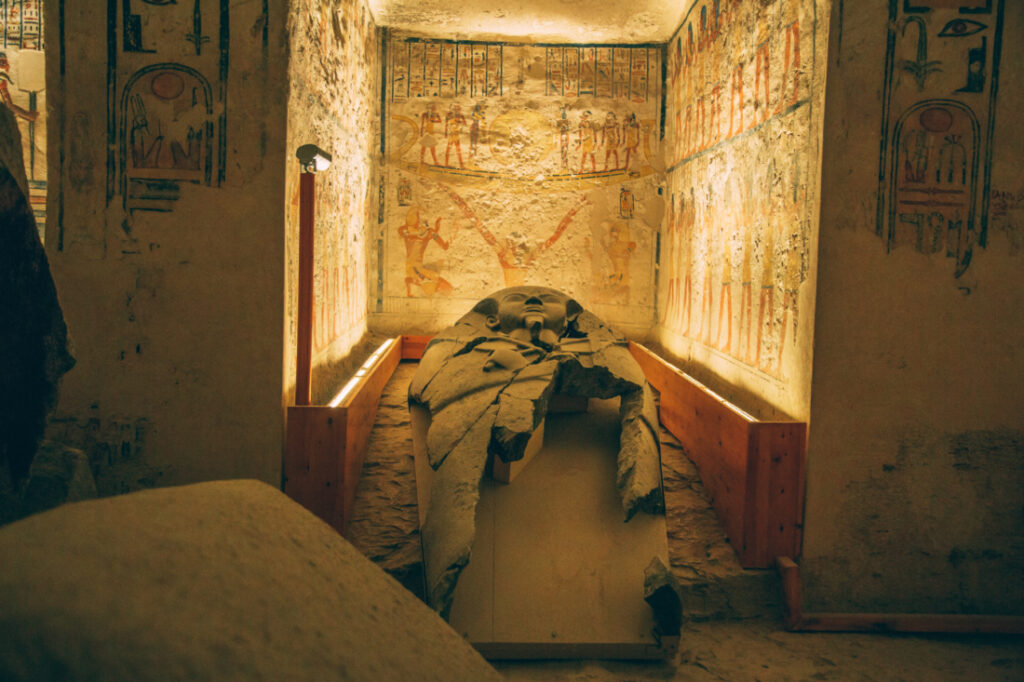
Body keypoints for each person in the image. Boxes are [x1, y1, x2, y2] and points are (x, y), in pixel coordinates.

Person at [410, 286, 664, 618]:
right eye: (517, 298)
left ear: (570, 320)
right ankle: (439, 590)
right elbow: (423, 385)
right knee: (455, 469)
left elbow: (636, 393)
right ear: (492, 317)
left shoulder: (588, 349)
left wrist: (641, 480)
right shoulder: (462, 347)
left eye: (550, 300)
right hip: (474, 407)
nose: (535, 301)